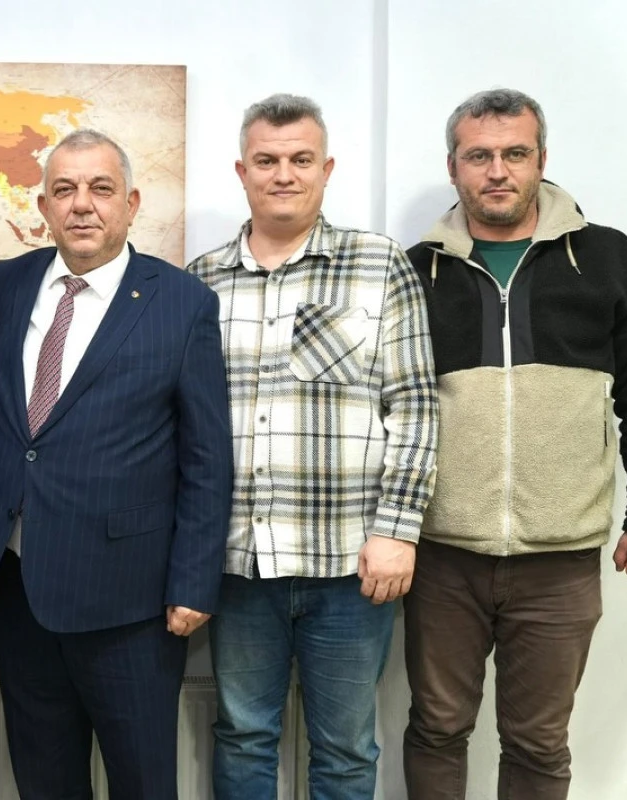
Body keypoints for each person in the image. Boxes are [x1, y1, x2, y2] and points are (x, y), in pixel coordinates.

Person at [401, 88, 627, 799]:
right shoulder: (415, 271)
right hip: (441, 553)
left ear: (541, 159)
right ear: (453, 166)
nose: (497, 171)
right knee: (437, 728)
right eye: (479, 156)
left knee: (537, 741)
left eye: (515, 153)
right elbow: (389, 409)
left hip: (560, 560)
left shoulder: (611, 261)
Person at [186, 93, 438, 800]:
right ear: (242, 171)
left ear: (326, 169)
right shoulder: (199, 281)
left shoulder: (379, 264)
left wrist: (398, 530)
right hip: (238, 564)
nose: (284, 174)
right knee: (242, 735)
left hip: (350, 565)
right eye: (267, 160)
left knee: (346, 748)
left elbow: (416, 406)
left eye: (301, 159)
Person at [0, 128, 232, 800]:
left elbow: (207, 457)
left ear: (131, 203)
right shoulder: (9, 283)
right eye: (64, 189)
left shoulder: (182, 303)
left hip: (130, 601)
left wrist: (194, 582)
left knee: (142, 781)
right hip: (20, 587)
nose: (81, 204)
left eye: (100, 188)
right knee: (44, 780)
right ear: (44, 206)